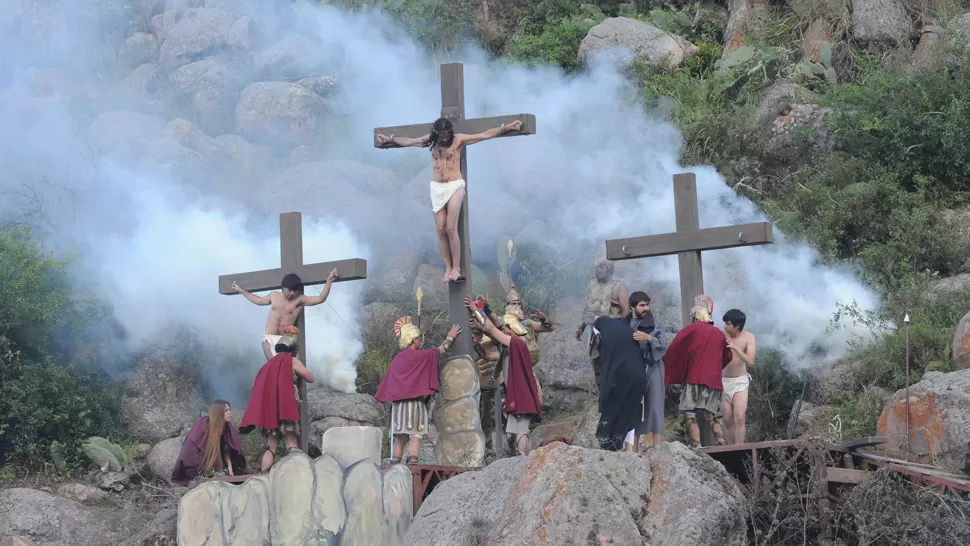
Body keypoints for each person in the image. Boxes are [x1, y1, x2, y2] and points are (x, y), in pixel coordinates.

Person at [376, 118, 523, 284]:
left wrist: (506, 127)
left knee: (451, 228)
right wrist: (390, 138)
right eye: (442, 133)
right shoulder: (431, 142)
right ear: (436, 132)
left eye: (447, 133)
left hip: (454, 185)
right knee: (440, 229)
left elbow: (484, 134)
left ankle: (456, 268)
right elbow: (409, 141)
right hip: (437, 187)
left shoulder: (458, 140)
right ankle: (448, 268)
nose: (445, 136)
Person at [374, 316, 461, 465]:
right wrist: (450, 337)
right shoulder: (422, 355)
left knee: (400, 436)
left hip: (398, 406)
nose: (421, 340)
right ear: (413, 340)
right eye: (419, 338)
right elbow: (442, 349)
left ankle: (395, 462)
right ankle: (413, 462)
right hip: (414, 404)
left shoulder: (397, 359)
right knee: (416, 434)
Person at [465, 296, 542, 455]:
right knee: (515, 430)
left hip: (522, 395)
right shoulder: (513, 347)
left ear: (513, 329)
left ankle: (526, 460)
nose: (504, 330)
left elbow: (492, 330)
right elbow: (491, 356)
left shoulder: (515, 343)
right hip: (516, 394)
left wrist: (476, 310)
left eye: (507, 328)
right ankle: (529, 456)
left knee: (522, 430)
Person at [239, 331, 315, 472]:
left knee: (271, 447)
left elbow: (255, 385)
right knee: (291, 443)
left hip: (270, 411)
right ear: (293, 350)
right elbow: (310, 378)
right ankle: (297, 473)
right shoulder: (292, 361)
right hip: (286, 408)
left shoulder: (267, 365)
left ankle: (265, 476)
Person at [663, 302, 733, 448]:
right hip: (713, 381)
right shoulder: (719, 334)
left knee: (690, 414)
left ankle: (697, 446)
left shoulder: (690, 330)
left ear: (695, 316)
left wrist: (671, 369)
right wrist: (714, 369)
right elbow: (728, 356)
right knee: (711, 416)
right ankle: (722, 444)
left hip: (693, 378)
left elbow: (675, 350)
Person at [232, 269, 339, 360]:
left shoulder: (299, 300)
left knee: (285, 364)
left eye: (294, 290)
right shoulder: (274, 295)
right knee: (269, 354)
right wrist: (240, 290)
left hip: (285, 339)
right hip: (269, 337)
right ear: (283, 287)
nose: (292, 293)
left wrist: (329, 281)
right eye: (290, 290)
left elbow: (320, 299)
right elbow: (258, 300)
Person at [592, 314, 647, 452]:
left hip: (621, 378)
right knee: (627, 414)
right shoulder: (627, 331)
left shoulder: (607, 335)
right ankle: (621, 448)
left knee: (612, 411)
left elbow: (606, 364)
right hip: (639, 378)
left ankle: (607, 446)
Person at [576, 256, 630, 389]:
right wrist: (581, 326)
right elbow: (588, 306)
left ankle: (615, 393)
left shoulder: (619, 286)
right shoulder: (592, 284)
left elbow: (625, 311)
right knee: (596, 362)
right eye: (597, 268)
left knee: (612, 362)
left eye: (602, 267)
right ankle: (603, 394)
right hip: (595, 330)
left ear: (610, 269)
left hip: (612, 329)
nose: (598, 270)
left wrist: (623, 333)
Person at [172, 400, 247, 485]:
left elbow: (226, 449)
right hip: (198, 462)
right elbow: (198, 447)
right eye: (226, 410)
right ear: (218, 412)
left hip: (216, 461)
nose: (229, 413)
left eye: (230, 410)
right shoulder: (204, 424)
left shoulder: (226, 426)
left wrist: (230, 468)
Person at [627, 291, 667, 450]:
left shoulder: (654, 321)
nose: (646, 308)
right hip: (633, 369)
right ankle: (632, 451)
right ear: (632, 307)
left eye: (647, 304)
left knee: (655, 405)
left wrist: (649, 338)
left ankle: (658, 449)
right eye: (642, 305)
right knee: (632, 407)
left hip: (653, 366)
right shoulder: (626, 323)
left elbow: (663, 344)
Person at [720, 308, 756, 445]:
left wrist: (735, 348)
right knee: (727, 419)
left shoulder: (749, 337)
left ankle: (740, 449)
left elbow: (751, 361)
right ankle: (731, 449)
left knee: (739, 417)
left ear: (737, 326)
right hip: (723, 381)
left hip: (740, 381)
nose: (725, 326)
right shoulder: (721, 334)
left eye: (728, 324)